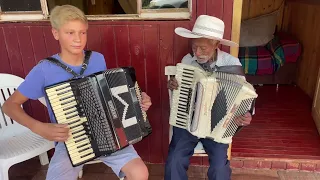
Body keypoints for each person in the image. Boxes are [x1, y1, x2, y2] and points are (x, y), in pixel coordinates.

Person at [2, 5, 151, 180]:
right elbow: (9, 105)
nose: (78, 39)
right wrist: (39, 127)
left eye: (82, 32)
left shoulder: (97, 59)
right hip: (71, 141)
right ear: (56, 34)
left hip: (108, 133)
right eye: (70, 33)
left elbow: (108, 94)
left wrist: (138, 98)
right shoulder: (44, 70)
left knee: (140, 172)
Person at [165, 15, 254, 180]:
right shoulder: (187, 61)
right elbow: (180, 89)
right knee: (174, 160)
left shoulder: (231, 64)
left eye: (203, 48)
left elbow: (243, 97)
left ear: (216, 44)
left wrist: (246, 114)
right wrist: (174, 86)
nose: (197, 53)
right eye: (194, 47)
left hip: (217, 126)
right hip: (188, 122)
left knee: (220, 169)